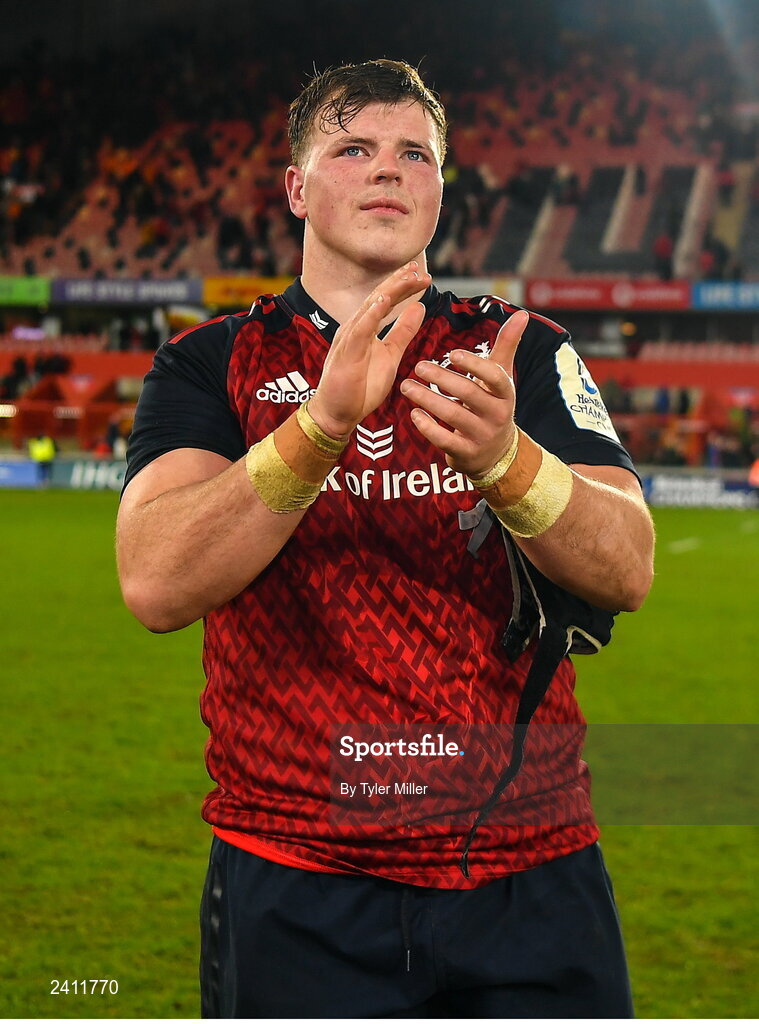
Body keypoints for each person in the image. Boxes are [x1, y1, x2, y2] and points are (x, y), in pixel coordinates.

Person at [116, 59, 655, 1018]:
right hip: (296, 870)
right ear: (295, 187)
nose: (387, 171)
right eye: (352, 148)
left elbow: (626, 568)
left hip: (528, 869)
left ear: (440, 189)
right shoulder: (210, 362)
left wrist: (504, 459)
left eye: (415, 153)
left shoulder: (517, 349)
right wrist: (318, 426)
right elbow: (156, 583)